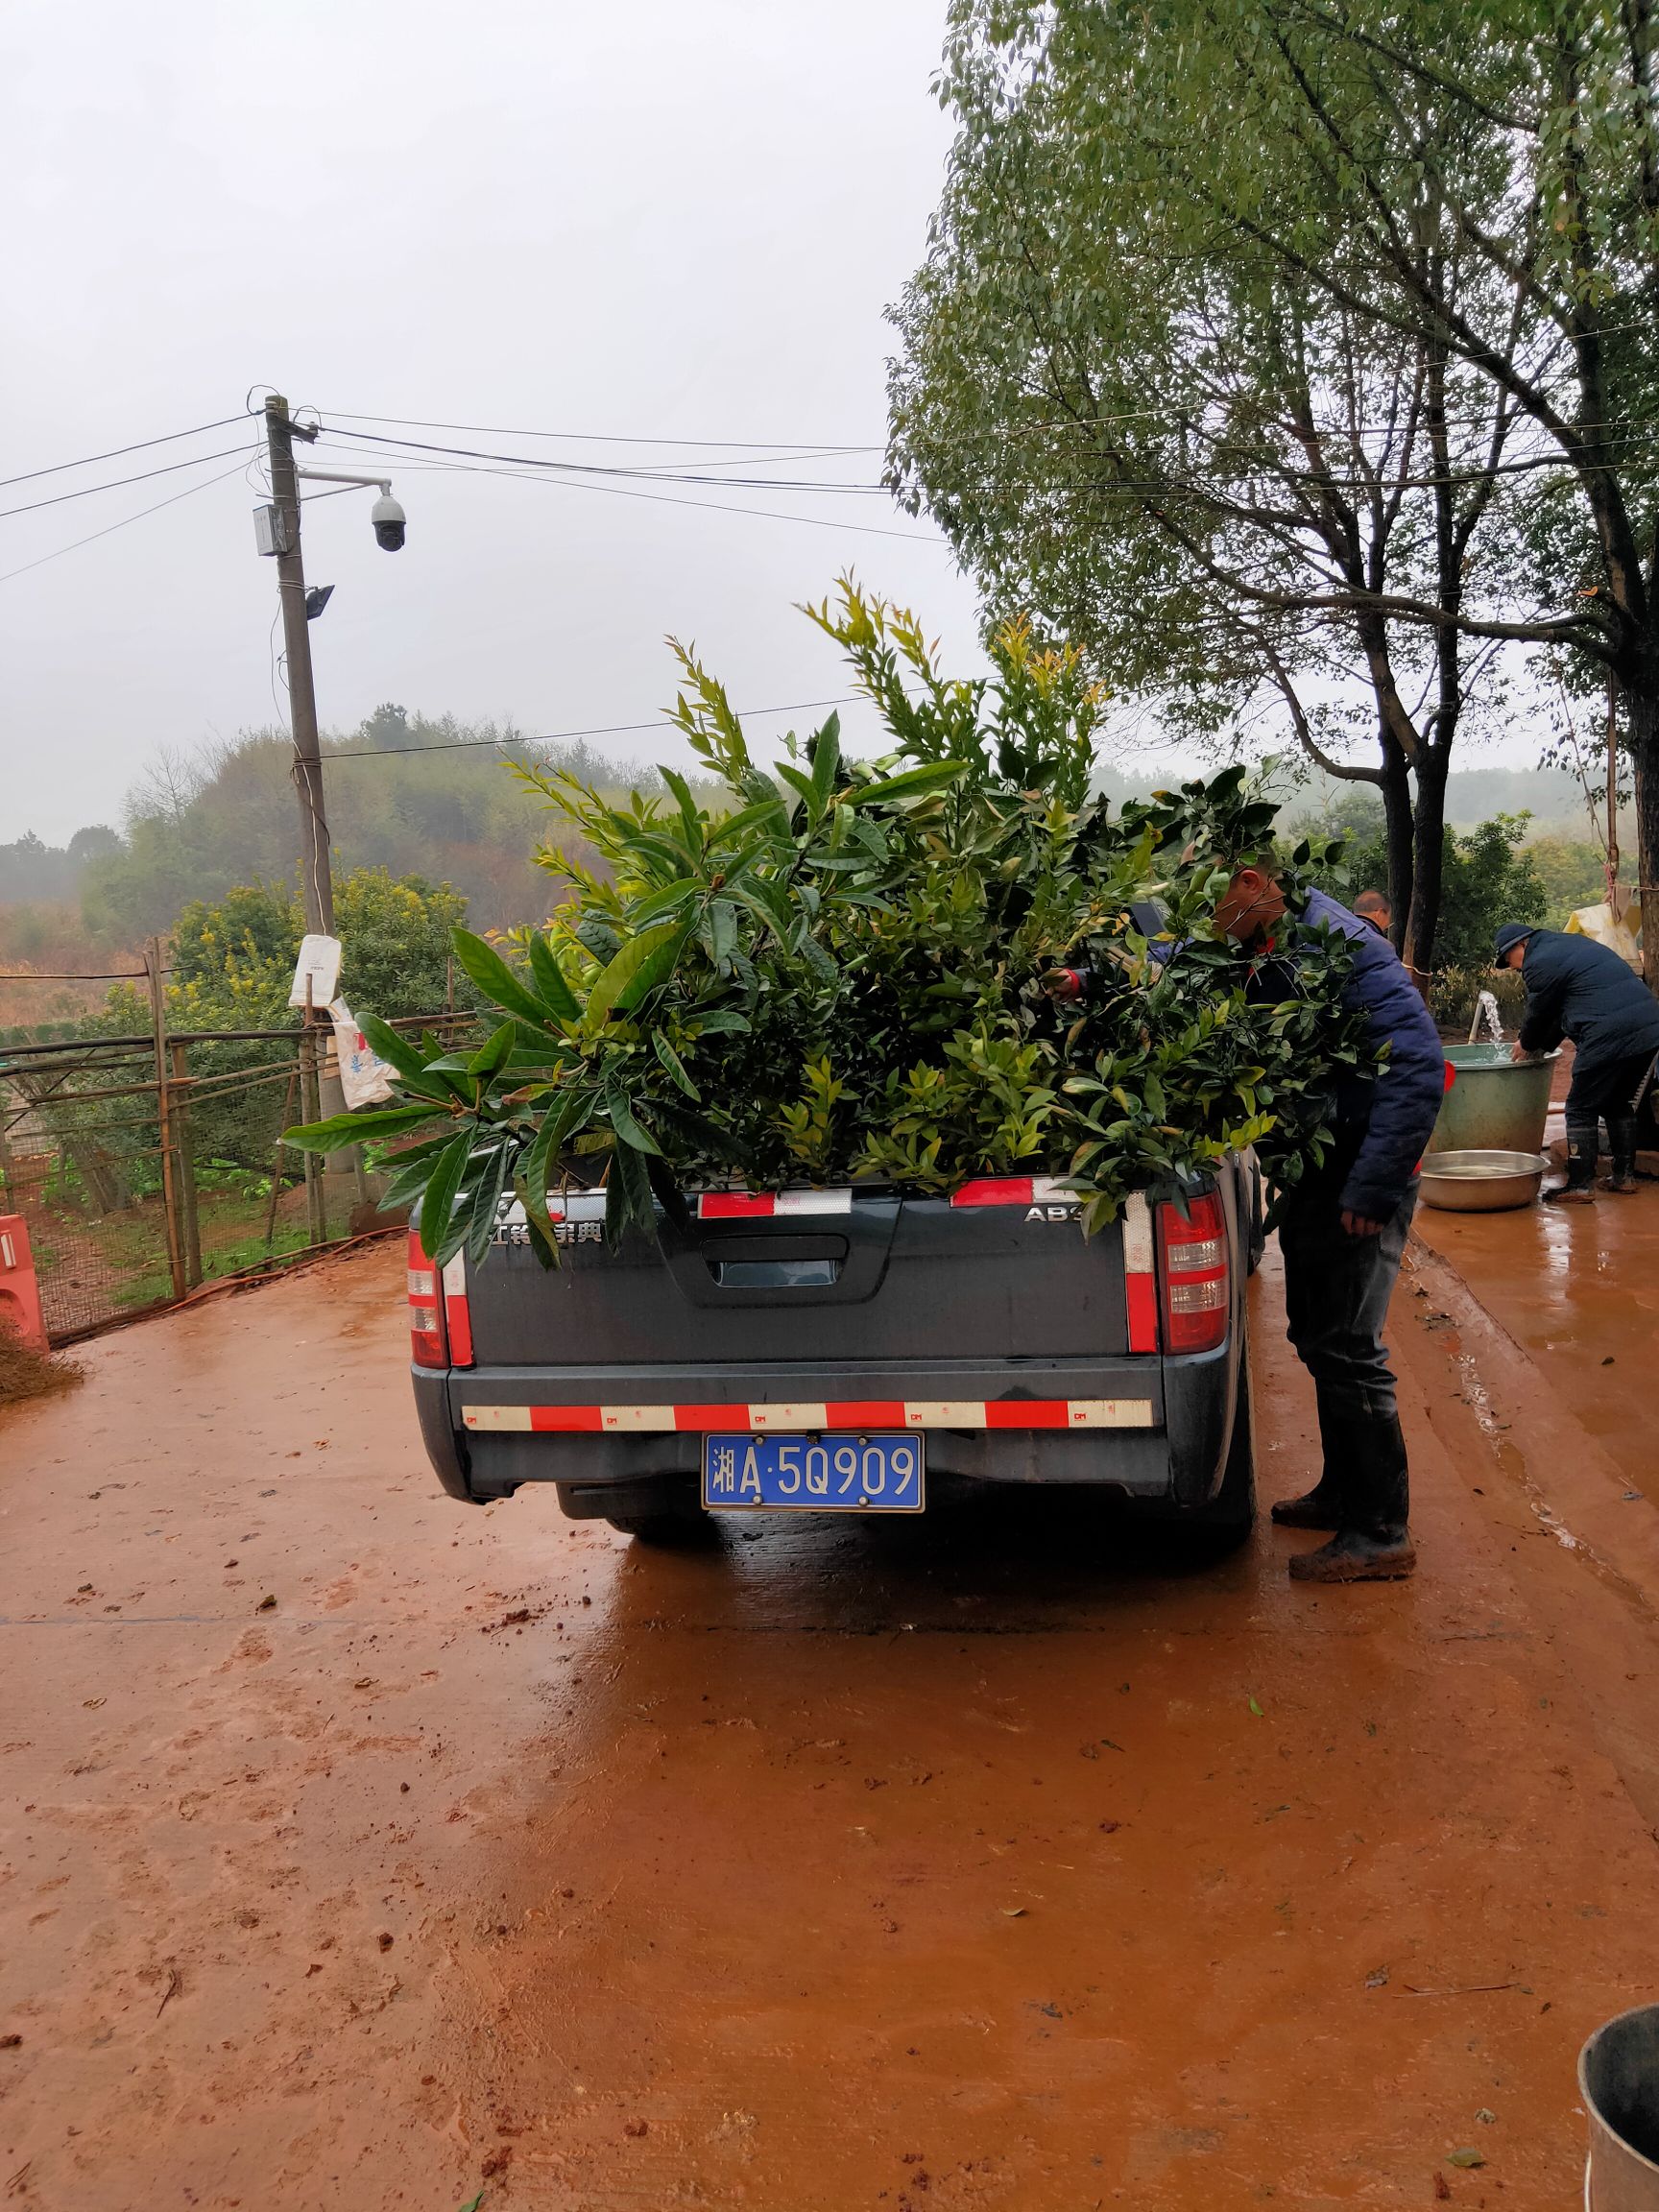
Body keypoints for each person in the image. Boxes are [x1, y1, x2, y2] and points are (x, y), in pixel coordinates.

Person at [1048, 857, 1446, 1581]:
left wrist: (1372, 1190)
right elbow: (1174, 961)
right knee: (1318, 1338)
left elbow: (1418, 1062)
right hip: (1318, 1174)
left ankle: (1383, 1532)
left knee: (1351, 1348)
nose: (1209, 921)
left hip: (1361, 1177)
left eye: (1218, 901)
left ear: (1257, 880)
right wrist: (1087, 981)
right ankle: (1342, 1493)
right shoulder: (1253, 941)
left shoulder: (1342, 945)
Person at [1496, 922, 1659, 1201]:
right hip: (1649, 1029)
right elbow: (1560, 1015)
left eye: (1508, 960)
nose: (1512, 968)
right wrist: (1541, 1047)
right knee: (1616, 1102)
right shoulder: (1566, 947)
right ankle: (1623, 1177)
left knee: (1580, 1107)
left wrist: (1526, 1042)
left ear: (1520, 945)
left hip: (1609, 1032)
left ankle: (1580, 1185)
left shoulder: (1539, 962)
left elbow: (1539, 1013)